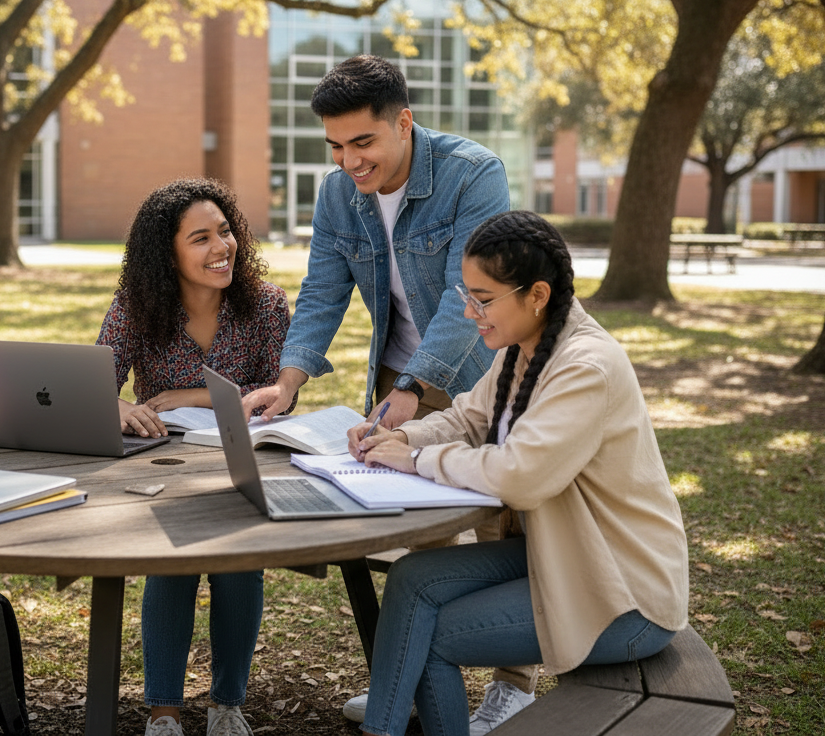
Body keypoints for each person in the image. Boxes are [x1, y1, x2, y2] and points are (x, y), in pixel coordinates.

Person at [345, 210, 690, 736]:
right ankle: (383, 728)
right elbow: (467, 417)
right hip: (563, 553)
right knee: (412, 580)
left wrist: (414, 461)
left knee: (433, 637)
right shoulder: (524, 348)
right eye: (468, 294)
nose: (469, 311)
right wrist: (400, 438)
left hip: (621, 592)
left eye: (483, 299)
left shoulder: (583, 366)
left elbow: (520, 474)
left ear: (537, 295)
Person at [96, 178, 293, 736]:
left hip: (242, 462)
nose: (221, 248)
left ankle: (227, 707)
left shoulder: (267, 304)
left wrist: (192, 394)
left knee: (239, 571)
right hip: (165, 471)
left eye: (226, 232)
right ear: (168, 254)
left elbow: (276, 393)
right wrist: (116, 407)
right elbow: (94, 384)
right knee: (172, 569)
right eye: (201, 238)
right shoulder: (136, 308)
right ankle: (163, 712)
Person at [241, 54, 510, 432]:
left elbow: (466, 294)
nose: (350, 162)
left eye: (362, 142)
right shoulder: (336, 194)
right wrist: (286, 383)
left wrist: (411, 385)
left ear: (403, 123)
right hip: (395, 376)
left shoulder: (473, 175)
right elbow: (322, 291)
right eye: (336, 146)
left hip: (473, 378)